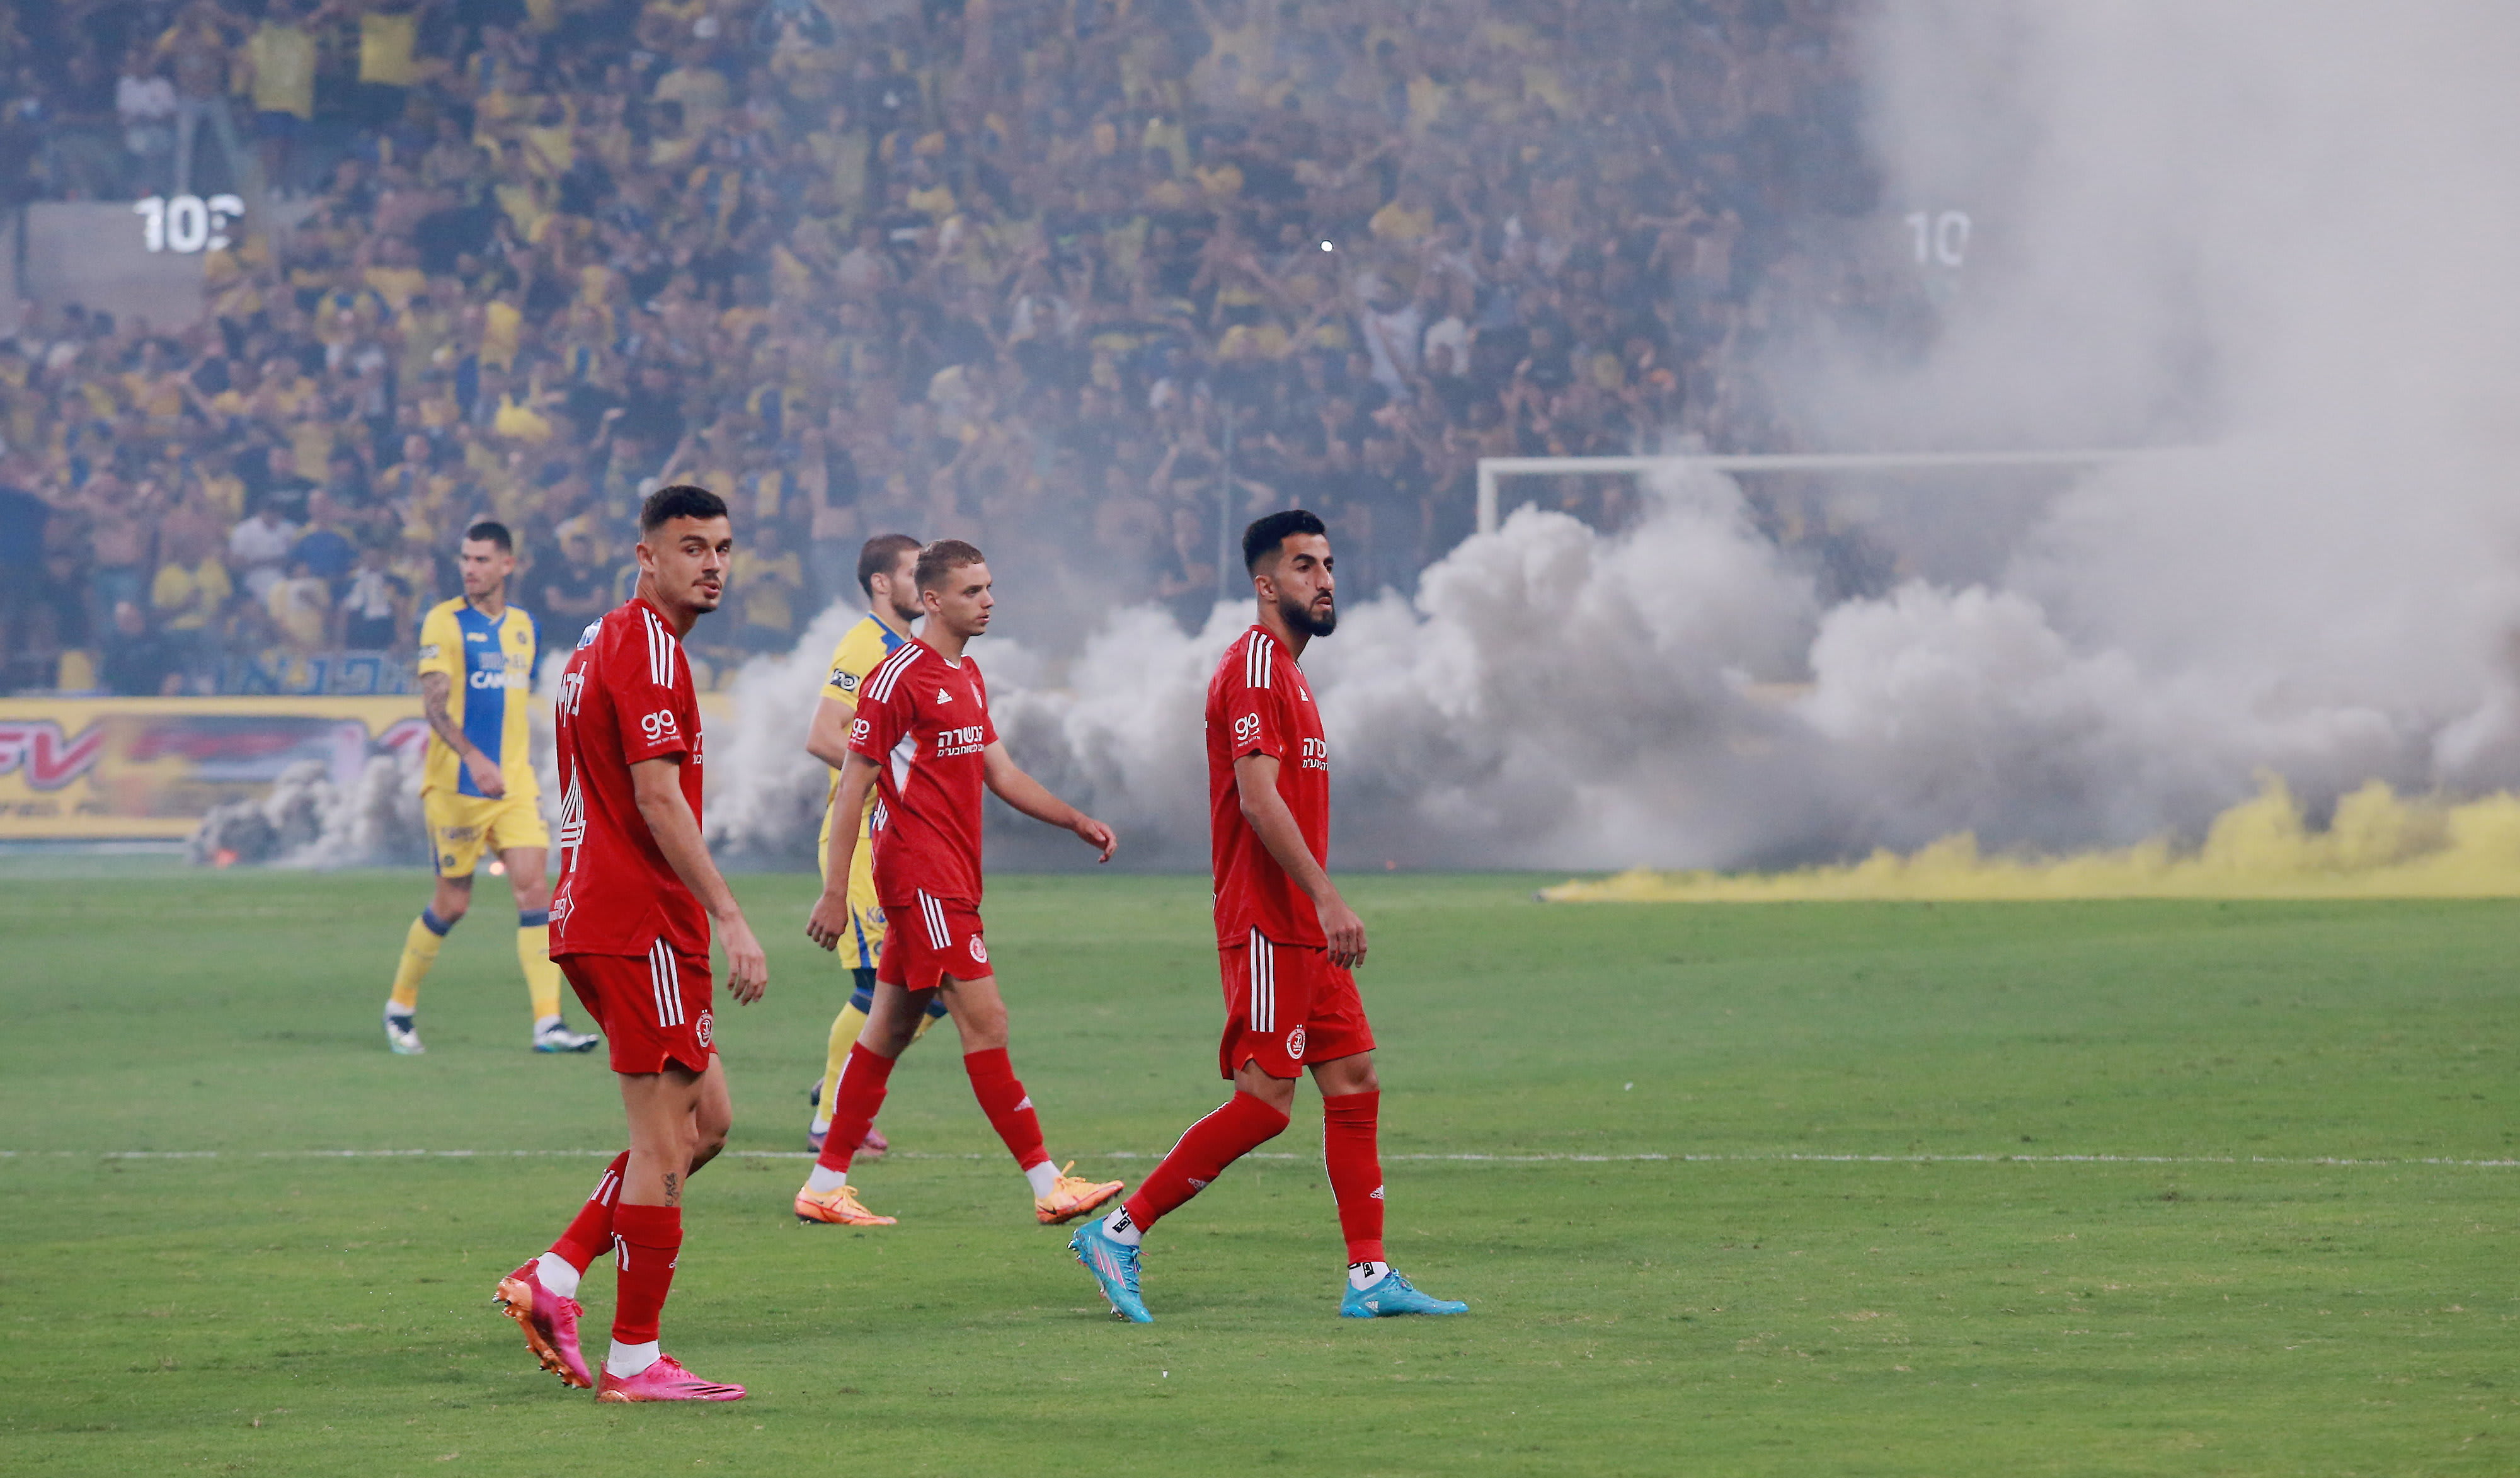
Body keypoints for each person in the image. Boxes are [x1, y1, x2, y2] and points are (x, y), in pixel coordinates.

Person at [1070, 510, 1468, 1323]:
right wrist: (1327, 896)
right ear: (1265, 585)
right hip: (1267, 921)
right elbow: (1256, 799)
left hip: (1302, 929)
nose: (1323, 579)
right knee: (1264, 1103)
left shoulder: (1291, 674)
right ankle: (1118, 1230)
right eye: (1302, 567)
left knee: (1354, 1080)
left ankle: (1369, 1277)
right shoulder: (1253, 666)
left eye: (1326, 564)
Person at [492, 484, 767, 1402]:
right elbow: (657, 796)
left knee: (709, 1125)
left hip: (607, 915)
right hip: (637, 918)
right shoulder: (648, 647)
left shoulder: (603, 638)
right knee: (660, 1145)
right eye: (692, 547)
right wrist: (729, 912)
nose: (713, 564)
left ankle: (559, 1273)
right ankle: (635, 1358)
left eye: (723, 547)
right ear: (646, 555)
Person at [794, 539, 1125, 1229]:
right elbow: (854, 787)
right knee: (987, 1020)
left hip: (951, 879)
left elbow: (999, 774)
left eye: (990, 587)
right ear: (934, 599)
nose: (989, 601)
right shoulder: (895, 679)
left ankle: (824, 1186)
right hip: (921, 880)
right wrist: (833, 891)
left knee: (885, 1031)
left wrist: (1074, 820)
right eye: (973, 591)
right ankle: (1047, 1186)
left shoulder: (967, 678)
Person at [381, 520, 599, 1056]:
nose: (470, 569)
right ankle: (400, 1008)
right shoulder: (443, 623)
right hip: (457, 787)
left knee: (535, 892)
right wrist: (474, 758)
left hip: (514, 786)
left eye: (482, 560)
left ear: (508, 565)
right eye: (465, 559)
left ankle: (548, 1025)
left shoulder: (526, 627)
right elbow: (434, 706)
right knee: (452, 903)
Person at [799, 532, 944, 1155]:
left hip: (893, 842)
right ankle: (832, 1122)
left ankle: (842, 1078)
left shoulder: (908, 650)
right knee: (877, 987)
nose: (926, 585)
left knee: (932, 994)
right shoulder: (864, 647)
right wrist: (894, 771)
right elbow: (823, 734)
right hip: (856, 841)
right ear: (882, 583)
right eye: (916, 573)